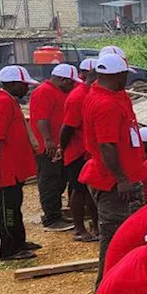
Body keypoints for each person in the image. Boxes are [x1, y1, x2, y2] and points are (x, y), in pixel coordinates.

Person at [80, 54, 146, 285]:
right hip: (114, 181)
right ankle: (110, 286)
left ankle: (121, 283)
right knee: (118, 237)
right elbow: (105, 145)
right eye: (125, 76)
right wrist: (122, 179)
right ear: (118, 75)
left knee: (126, 235)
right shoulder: (105, 104)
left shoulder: (111, 96)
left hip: (122, 175)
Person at [0, 65, 41, 261]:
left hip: (13, 167)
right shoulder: (2, 103)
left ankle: (19, 241)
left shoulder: (9, 100)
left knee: (15, 205)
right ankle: (8, 250)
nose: (27, 89)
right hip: (5, 168)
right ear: (13, 84)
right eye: (24, 85)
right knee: (8, 209)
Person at [30, 63, 78, 232]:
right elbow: (41, 118)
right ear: (62, 80)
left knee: (59, 180)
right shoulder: (44, 91)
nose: (72, 86)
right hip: (48, 147)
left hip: (57, 145)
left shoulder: (56, 91)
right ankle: (51, 218)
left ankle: (55, 212)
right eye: (70, 83)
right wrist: (48, 140)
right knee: (50, 181)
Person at [60, 58, 99, 242]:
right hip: (77, 151)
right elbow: (67, 127)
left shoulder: (91, 94)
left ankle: (96, 225)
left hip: (89, 151)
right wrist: (63, 148)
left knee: (91, 189)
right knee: (79, 190)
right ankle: (79, 228)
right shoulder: (78, 96)